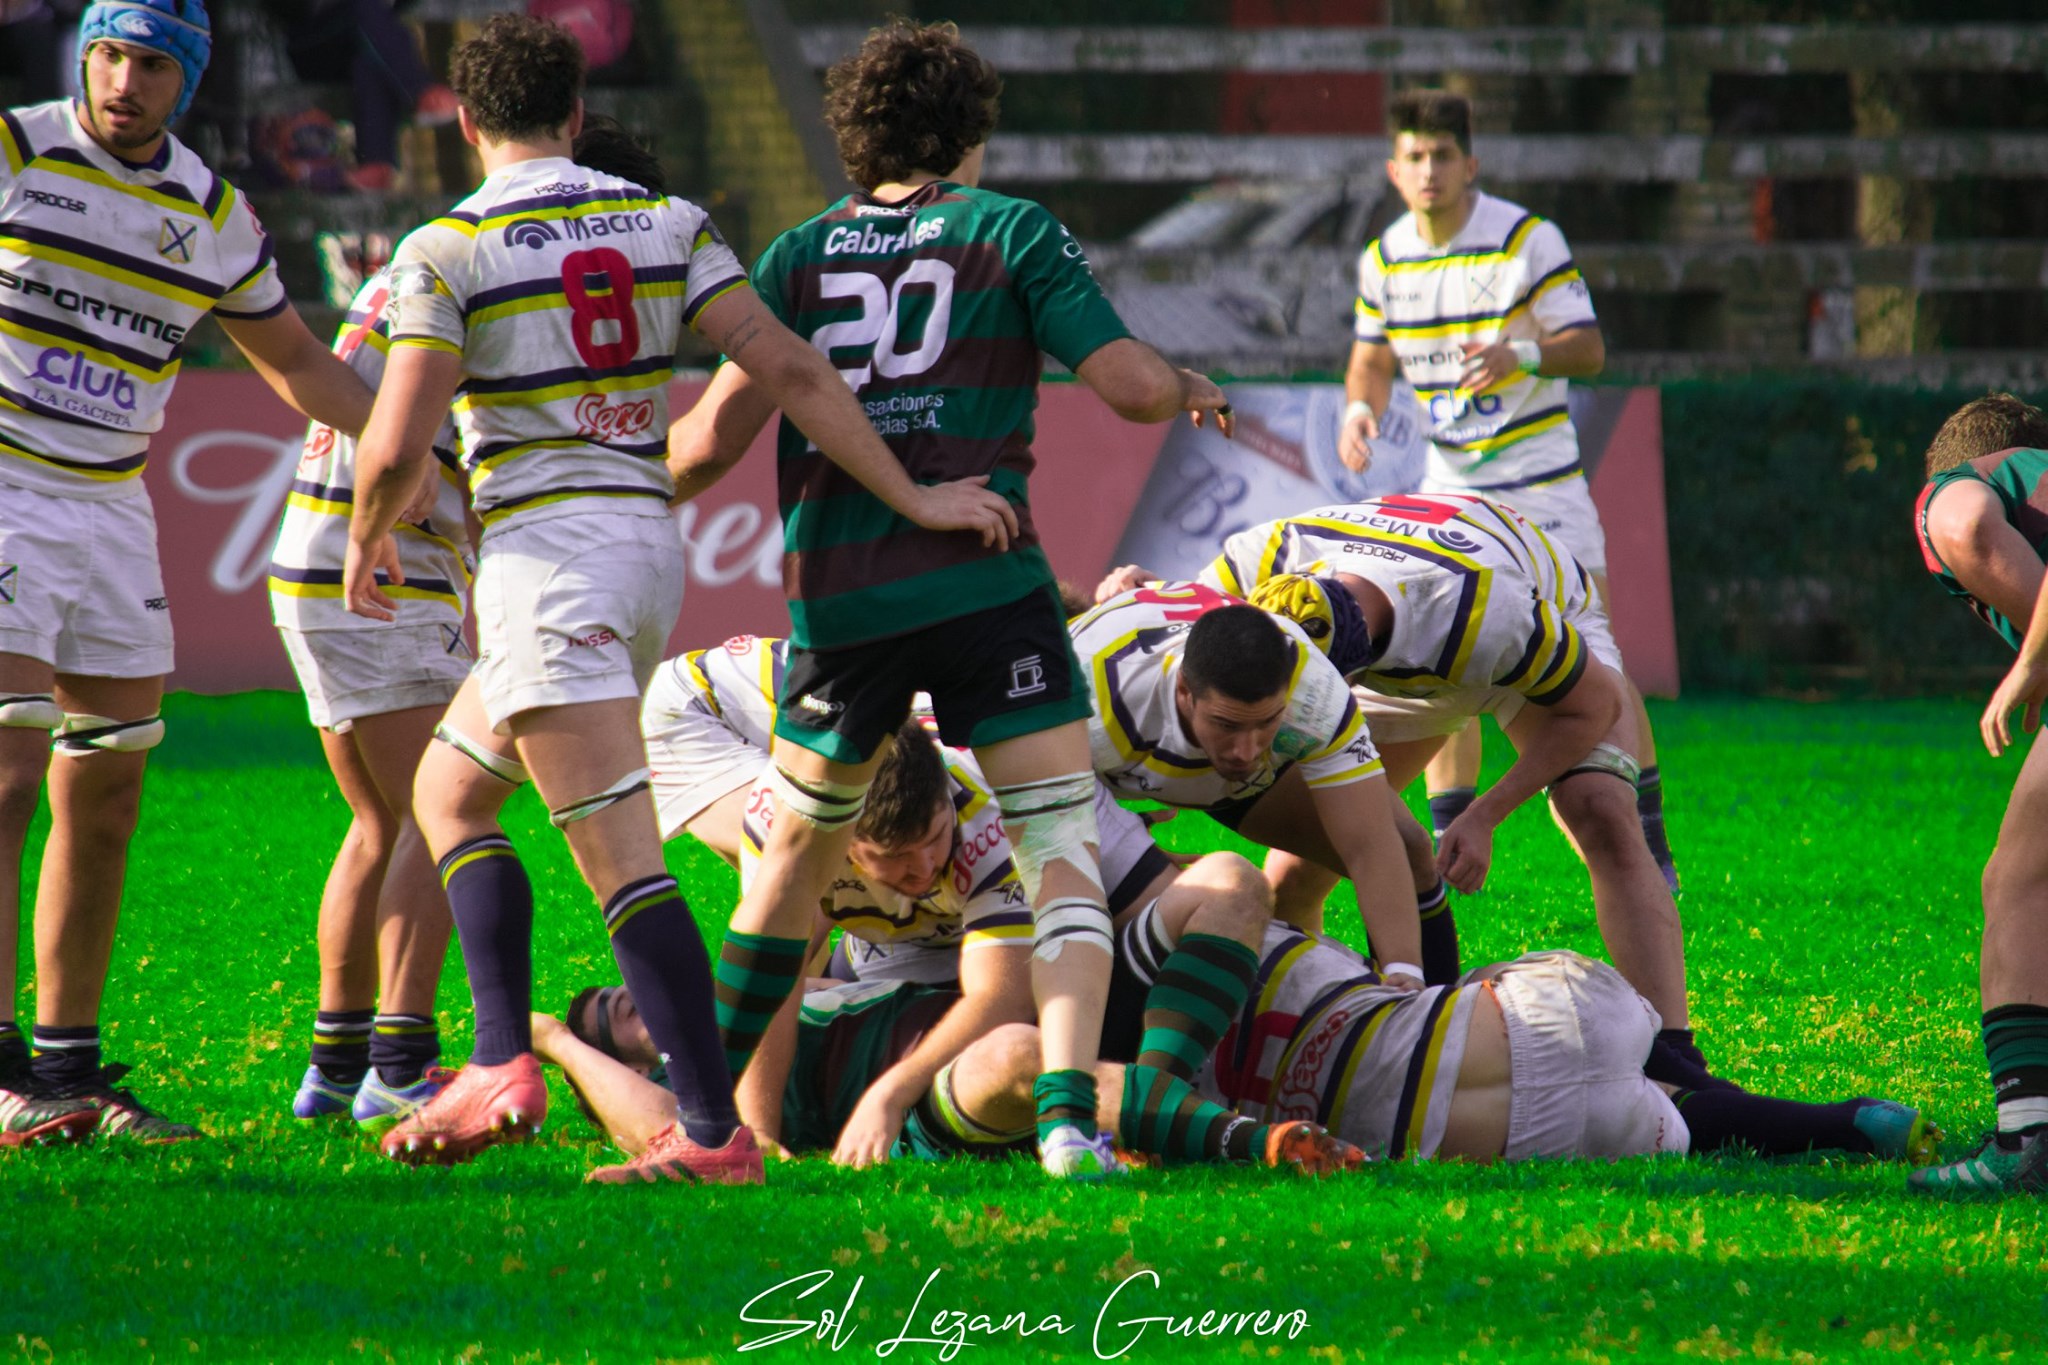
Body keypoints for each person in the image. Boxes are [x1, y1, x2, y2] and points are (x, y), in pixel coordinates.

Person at [342, 15, 1010, 1184]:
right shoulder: (669, 222)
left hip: (548, 561)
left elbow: (397, 439)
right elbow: (794, 369)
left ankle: (710, 1134)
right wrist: (914, 492)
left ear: (462, 121)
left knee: (622, 866)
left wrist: (365, 537)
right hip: (643, 548)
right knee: (449, 794)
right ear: (576, 112)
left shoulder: (444, 247)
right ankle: (501, 1059)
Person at [664, 20, 1233, 1179]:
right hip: (984, 576)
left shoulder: (795, 254)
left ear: (853, 136)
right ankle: (1070, 1122)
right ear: (968, 132)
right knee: (1057, 842)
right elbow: (1125, 388)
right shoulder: (1009, 228)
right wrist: (1184, 382)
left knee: (788, 862)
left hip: (845, 594)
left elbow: (706, 444)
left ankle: (708, 1127)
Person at [0, 0, 379, 1146]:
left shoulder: (212, 213)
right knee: (8, 775)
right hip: (7, 483)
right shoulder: (14, 149)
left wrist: (428, 450)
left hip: (113, 508)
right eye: (107, 54)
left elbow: (300, 362)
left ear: (189, 77)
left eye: (150, 62)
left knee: (107, 790)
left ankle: (68, 1073)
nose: (122, 80)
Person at [271, 113, 665, 1133]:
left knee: (380, 821)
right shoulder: (505, 274)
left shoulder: (439, 250)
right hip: (383, 567)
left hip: (311, 553)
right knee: (439, 812)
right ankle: (401, 1062)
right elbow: (432, 440)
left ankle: (334, 1064)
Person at [1096, 492, 1716, 1088]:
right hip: (1398, 643)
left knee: (1601, 812)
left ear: (1350, 672)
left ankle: (1675, 1056)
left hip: (1523, 608)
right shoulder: (1265, 557)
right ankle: (1288, 1035)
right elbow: (1205, 636)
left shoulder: (1481, 612)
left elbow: (1594, 709)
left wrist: (1483, 814)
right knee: (1299, 869)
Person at [1336, 88, 1677, 896]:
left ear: (1470, 164)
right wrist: (1358, 406)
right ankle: (1451, 841)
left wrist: (1521, 354)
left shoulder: (1526, 238)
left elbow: (1588, 349)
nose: (1429, 170)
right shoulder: (1384, 257)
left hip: (1544, 492)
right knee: (1435, 660)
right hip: (1449, 495)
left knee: (1597, 666)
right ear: (1394, 168)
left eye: (1443, 155)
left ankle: (1649, 840)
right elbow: (1372, 356)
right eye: (1414, 156)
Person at [1069, 586, 1424, 988]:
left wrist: (1403, 972)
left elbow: (1370, 843)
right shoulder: (1091, 699)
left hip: (1214, 766)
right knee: (1158, 911)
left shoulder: (1315, 694)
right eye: (1227, 724)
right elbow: (1029, 825)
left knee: (1409, 849)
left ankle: (1427, 1013)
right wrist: (1124, 842)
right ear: (1185, 691)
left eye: (1267, 721)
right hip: (1086, 756)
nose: (1246, 750)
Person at [1909, 393, 2048, 1196]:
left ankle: (2028, 1139)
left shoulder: (1953, 487)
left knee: (2018, 881)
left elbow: (1961, 525)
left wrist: (2031, 657)